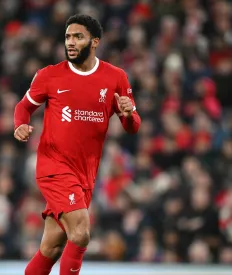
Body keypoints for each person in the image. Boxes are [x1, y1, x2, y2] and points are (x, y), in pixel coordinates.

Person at [13, 14, 141, 275]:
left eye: (78, 37)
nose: (70, 42)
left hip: (86, 172)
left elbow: (133, 126)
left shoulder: (116, 77)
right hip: (54, 165)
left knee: (51, 246)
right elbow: (23, 107)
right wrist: (20, 125)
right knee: (81, 232)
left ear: (94, 42)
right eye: (68, 37)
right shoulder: (49, 76)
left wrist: (128, 115)